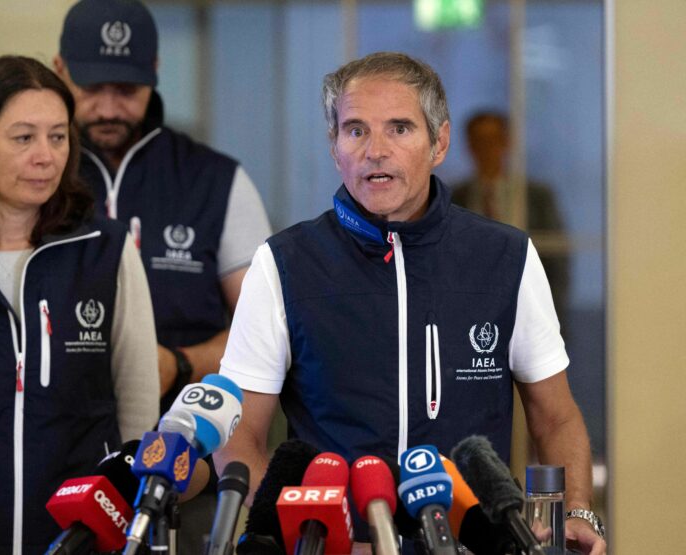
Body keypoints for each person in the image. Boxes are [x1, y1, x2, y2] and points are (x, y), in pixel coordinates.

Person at [214, 52, 606, 555]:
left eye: (399, 129)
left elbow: (555, 418)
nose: (375, 151)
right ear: (335, 147)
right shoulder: (283, 263)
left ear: (439, 142)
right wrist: (297, 529)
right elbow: (238, 436)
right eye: (355, 130)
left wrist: (576, 511)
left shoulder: (506, 256)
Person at [53, 0, 272, 549]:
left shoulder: (217, 181)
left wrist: (180, 363)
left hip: (183, 471)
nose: (109, 107)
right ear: (60, 70)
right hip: (51, 460)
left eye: (127, 89)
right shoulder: (37, 179)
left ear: (154, 72)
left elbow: (264, 334)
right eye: (92, 87)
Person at [0, 56, 159, 554]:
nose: (46, 156)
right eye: (24, 137)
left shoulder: (105, 250)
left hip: (81, 531)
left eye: (58, 136)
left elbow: (137, 402)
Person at [453, 110, 569, 324]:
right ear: (469, 145)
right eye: (479, 141)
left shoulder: (536, 197)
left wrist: (552, 318)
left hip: (527, 310)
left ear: (507, 142)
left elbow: (557, 263)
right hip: (469, 314)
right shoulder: (452, 197)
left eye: (493, 140)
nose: (487, 149)